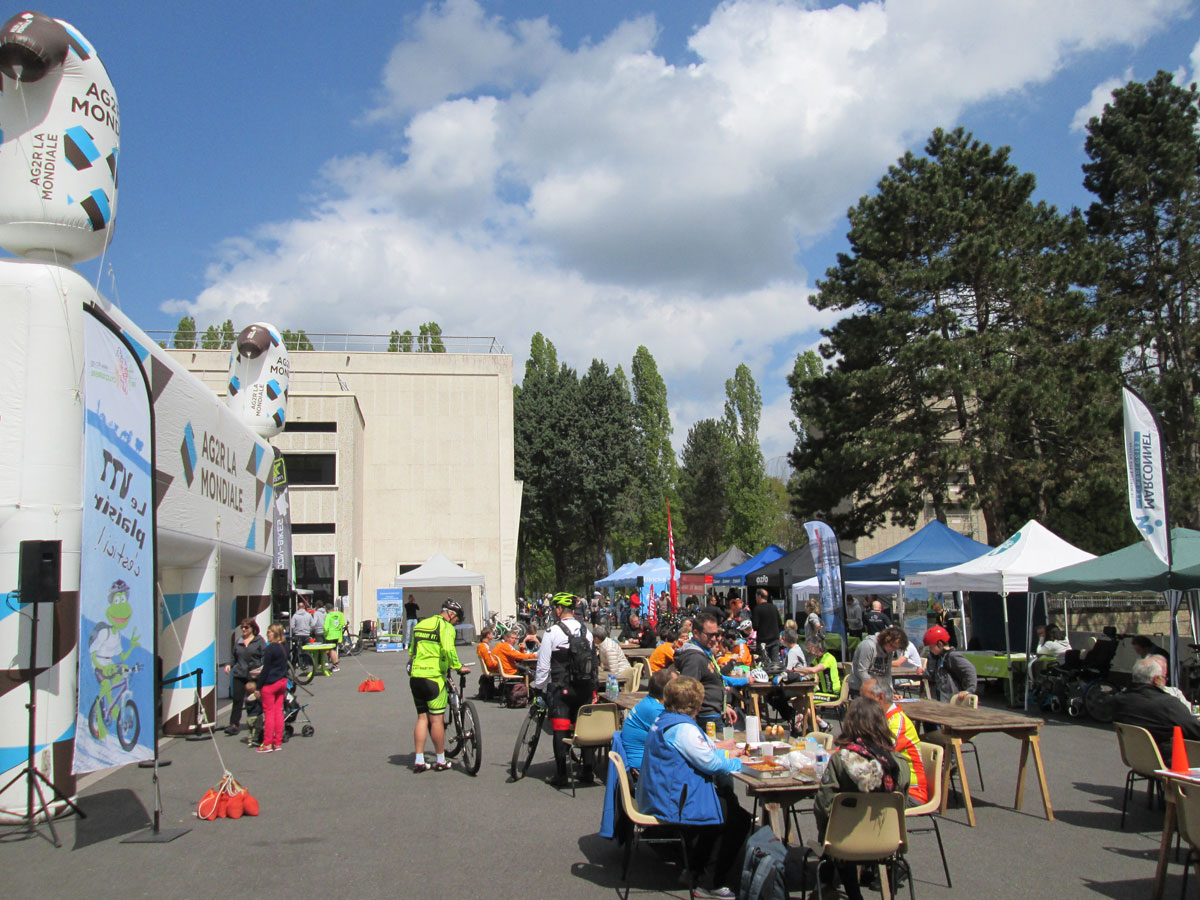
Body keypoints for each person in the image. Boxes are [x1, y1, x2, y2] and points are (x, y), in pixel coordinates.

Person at [636, 676, 751, 899]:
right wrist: (740, 763)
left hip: (660, 791)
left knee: (723, 806)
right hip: (671, 799)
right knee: (734, 817)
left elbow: (701, 754)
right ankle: (710, 882)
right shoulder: (682, 729)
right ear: (695, 703)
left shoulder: (665, 719)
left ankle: (694, 870)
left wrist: (727, 754)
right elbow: (710, 763)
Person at [814, 697, 910, 900]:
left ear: (850, 723)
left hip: (845, 842)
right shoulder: (899, 764)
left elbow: (823, 806)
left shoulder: (841, 760)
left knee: (838, 828)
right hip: (887, 840)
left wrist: (824, 833)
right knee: (842, 827)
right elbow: (902, 803)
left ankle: (836, 888)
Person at [534, 591, 599, 788]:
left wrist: (539, 688)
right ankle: (588, 770)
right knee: (584, 729)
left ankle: (561, 774)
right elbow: (593, 661)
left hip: (561, 688)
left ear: (560, 609)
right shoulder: (586, 631)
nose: (553, 611)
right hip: (584, 688)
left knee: (560, 730)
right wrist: (594, 690)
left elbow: (543, 666)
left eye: (555, 608)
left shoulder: (552, 632)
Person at [409, 599, 468, 772]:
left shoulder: (421, 624)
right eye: (456, 620)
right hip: (434, 678)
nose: (455, 623)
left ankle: (419, 760)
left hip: (416, 676)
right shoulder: (445, 627)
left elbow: (412, 649)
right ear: (451, 614)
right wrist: (458, 666)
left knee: (422, 718)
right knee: (436, 720)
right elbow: (449, 650)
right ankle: (440, 760)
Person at [1112, 656, 1200, 761]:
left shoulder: (1119, 700)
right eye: (1164, 677)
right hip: (1171, 760)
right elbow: (1195, 730)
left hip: (1137, 758)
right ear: (1157, 679)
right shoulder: (1167, 704)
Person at [861, 678, 928, 804]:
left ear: (880, 697)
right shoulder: (878, 719)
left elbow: (880, 755)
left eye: (865, 699)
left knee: (854, 804)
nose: (861, 704)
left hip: (909, 793)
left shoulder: (897, 723)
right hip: (888, 787)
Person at [674, 612, 739, 734]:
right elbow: (686, 692)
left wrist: (723, 707)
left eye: (716, 634)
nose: (714, 639)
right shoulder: (694, 658)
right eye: (710, 635)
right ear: (696, 633)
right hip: (705, 718)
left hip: (714, 713)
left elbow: (710, 683)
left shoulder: (703, 653)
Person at [620, 666, 676, 775]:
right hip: (642, 770)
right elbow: (675, 741)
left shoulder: (650, 702)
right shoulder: (655, 710)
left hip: (642, 762)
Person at [224, 618, 266, 736]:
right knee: (237, 699)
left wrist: (263, 668)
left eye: (246, 627)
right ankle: (234, 724)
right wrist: (229, 665)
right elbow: (234, 657)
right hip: (240, 673)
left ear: (252, 628)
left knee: (255, 699)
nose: (243, 630)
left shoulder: (259, 641)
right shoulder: (239, 641)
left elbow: (265, 655)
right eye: (242, 627)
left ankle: (257, 721)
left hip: (254, 674)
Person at [848, 625, 908, 698]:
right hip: (860, 688)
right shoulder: (868, 645)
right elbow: (862, 671)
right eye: (892, 646)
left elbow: (887, 673)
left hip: (877, 690)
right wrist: (876, 690)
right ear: (886, 640)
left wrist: (890, 693)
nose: (893, 649)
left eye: (896, 648)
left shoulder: (890, 652)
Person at [256, 623, 289, 753]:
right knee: (278, 712)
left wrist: (258, 687)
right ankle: (277, 742)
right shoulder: (284, 647)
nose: (267, 634)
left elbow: (266, 669)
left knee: (269, 713)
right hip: (282, 681)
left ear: (275, 633)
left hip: (270, 683)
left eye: (269, 632)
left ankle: (268, 743)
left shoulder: (270, 649)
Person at [922, 626, 977, 702]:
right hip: (941, 698)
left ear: (940, 644)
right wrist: (923, 672)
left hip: (953, 699)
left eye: (931, 647)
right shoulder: (938, 657)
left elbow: (970, 669)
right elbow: (932, 676)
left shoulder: (952, 656)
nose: (930, 650)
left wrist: (969, 690)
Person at [751, 588, 783, 666]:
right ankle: (776, 676)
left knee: (763, 661)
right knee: (775, 661)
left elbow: (755, 626)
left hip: (763, 640)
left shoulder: (757, 609)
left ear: (758, 596)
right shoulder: (774, 607)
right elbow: (780, 623)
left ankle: (765, 676)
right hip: (774, 639)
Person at [475, 626, 501, 699]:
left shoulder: (481, 645)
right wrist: (500, 664)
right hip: (492, 668)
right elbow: (490, 663)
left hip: (489, 668)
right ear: (488, 635)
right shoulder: (484, 647)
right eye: (492, 634)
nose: (493, 636)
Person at [323, 602, 346, 672]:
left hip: (330, 635)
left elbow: (325, 627)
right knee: (334, 650)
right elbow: (341, 624)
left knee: (331, 650)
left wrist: (325, 633)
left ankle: (335, 664)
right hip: (337, 634)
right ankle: (335, 665)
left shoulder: (328, 616)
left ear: (326, 609)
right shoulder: (338, 615)